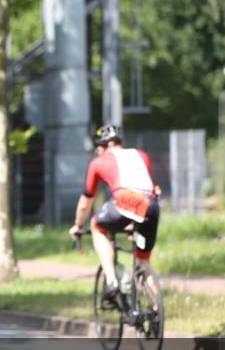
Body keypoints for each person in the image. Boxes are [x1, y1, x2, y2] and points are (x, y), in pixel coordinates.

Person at [69, 124, 161, 305]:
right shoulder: (141, 155)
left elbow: (86, 202)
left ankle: (111, 282)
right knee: (143, 262)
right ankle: (156, 312)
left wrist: (78, 225)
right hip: (151, 205)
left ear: (107, 145)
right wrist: (134, 224)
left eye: (99, 147)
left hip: (126, 201)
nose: (98, 151)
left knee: (97, 225)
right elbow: (144, 188)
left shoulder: (98, 162)